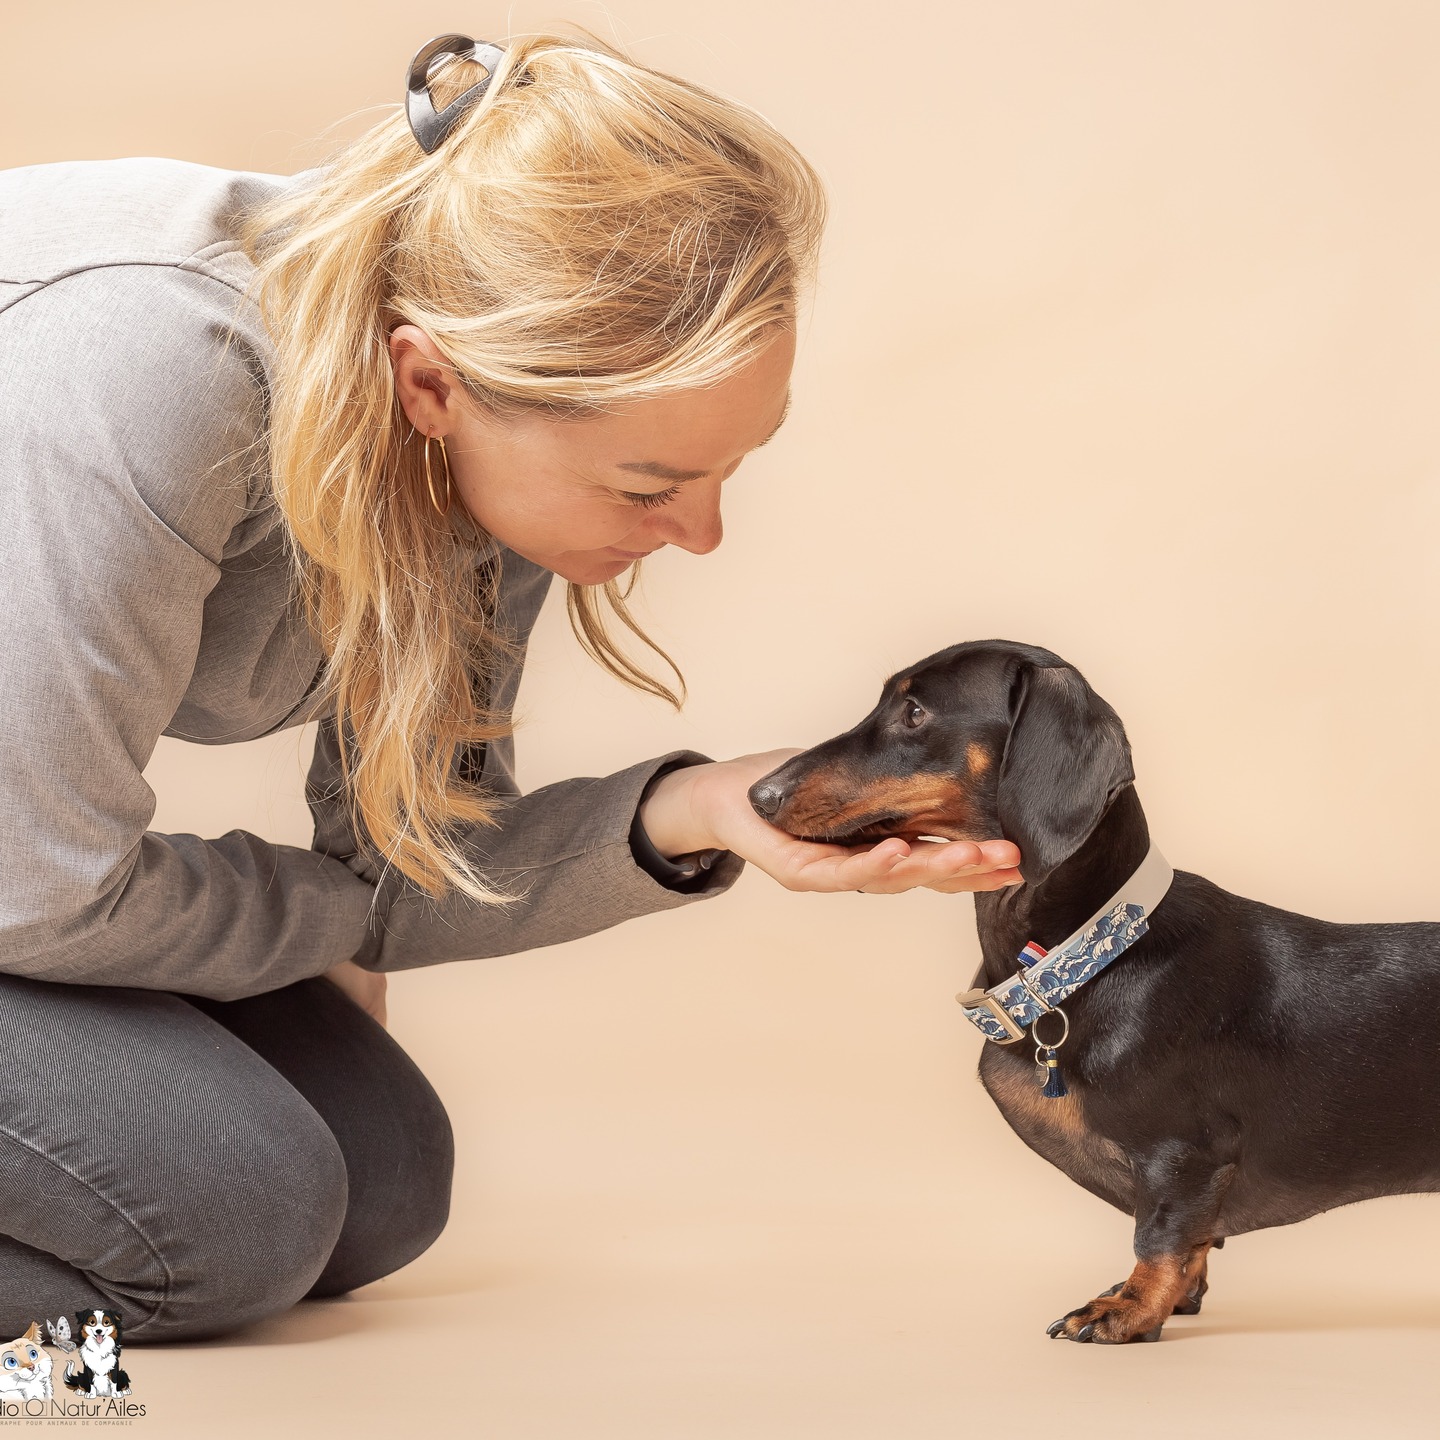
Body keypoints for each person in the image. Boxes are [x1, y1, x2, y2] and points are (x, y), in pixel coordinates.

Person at [0, 32, 1021, 1343]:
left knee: (382, 1186)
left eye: (730, 465)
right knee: (228, 1218)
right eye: (648, 485)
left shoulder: (473, 456)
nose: (701, 534)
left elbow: (413, 873)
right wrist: (326, 921)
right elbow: (38, 891)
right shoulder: (145, 364)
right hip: (24, 883)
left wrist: (709, 808)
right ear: (430, 378)